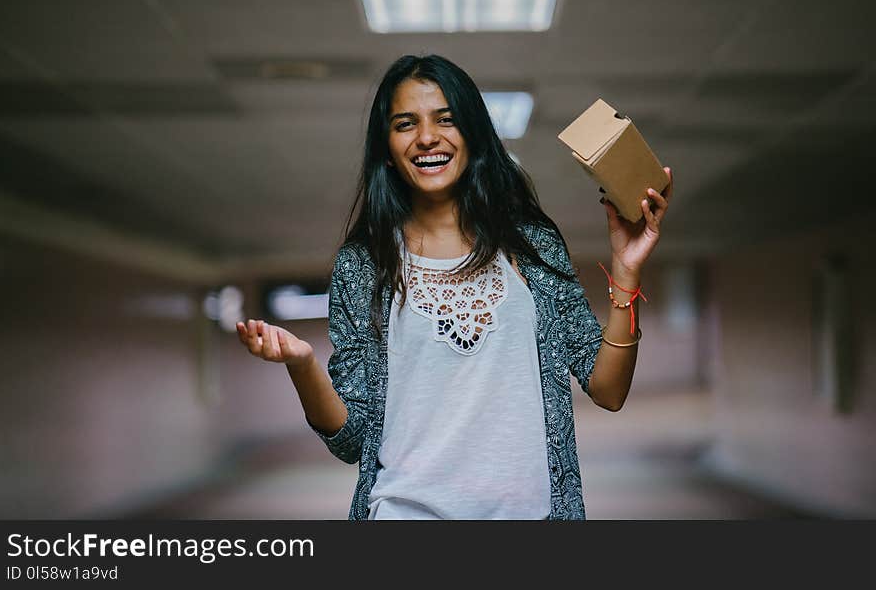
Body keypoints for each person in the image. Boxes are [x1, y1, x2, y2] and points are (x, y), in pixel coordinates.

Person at [236, 54, 673, 520]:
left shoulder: (531, 245)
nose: (427, 137)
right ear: (386, 146)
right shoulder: (364, 264)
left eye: (445, 120)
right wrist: (302, 366)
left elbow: (608, 390)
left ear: (472, 133)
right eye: (406, 123)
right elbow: (351, 438)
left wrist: (626, 273)